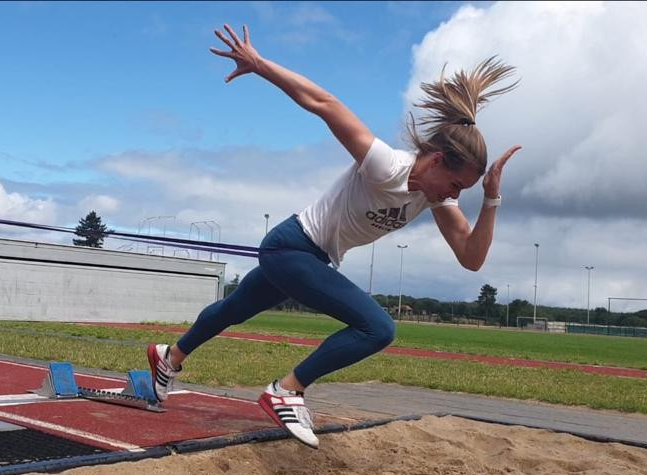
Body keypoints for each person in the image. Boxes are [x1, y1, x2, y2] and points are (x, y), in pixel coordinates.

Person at [147, 24, 521, 448]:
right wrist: (259, 64)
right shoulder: (385, 166)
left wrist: (491, 201)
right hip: (292, 245)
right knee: (377, 327)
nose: (454, 197)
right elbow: (325, 103)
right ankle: (287, 390)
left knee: (235, 307)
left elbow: (471, 257)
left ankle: (169, 356)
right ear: (436, 160)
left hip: (307, 257)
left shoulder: (433, 201)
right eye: (455, 185)